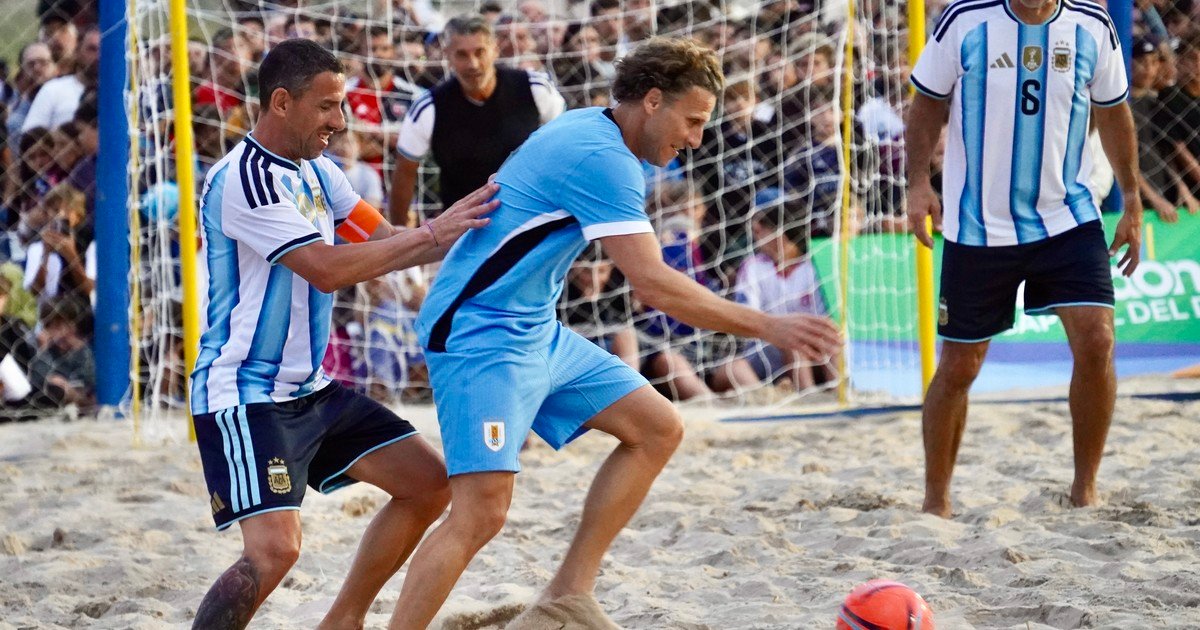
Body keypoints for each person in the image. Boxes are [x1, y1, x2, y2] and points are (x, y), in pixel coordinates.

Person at [386, 37, 841, 629]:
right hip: (478, 335)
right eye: (693, 121)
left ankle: (566, 596)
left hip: (532, 330)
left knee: (657, 429)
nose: (698, 139)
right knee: (480, 513)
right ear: (652, 101)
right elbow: (654, 285)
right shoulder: (602, 158)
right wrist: (769, 324)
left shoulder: (593, 129)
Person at [186, 39, 498, 630]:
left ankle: (343, 620)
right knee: (276, 550)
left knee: (429, 485)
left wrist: (486, 228)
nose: (341, 120)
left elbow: (381, 241)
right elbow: (327, 266)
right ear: (282, 102)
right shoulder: (244, 180)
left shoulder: (320, 172)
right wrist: (435, 231)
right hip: (247, 391)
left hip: (312, 387)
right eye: (328, 106)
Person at [907, 0, 1144, 518]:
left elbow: (1114, 111)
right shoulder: (965, 20)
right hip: (977, 224)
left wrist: (1132, 199)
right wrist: (918, 183)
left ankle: (1085, 489)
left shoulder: (1092, 24)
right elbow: (926, 102)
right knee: (960, 366)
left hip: (1068, 216)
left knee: (1098, 338)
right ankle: (935, 501)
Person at [389, 15, 566, 226]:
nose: (472, 64)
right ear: (448, 55)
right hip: (465, 228)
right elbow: (405, 172)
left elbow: (565, 144)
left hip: (531, 218)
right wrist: (398, 232)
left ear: (494, 49)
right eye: (462, 54)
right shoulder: (429, 108)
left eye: (479, 52)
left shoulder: (535, 89)